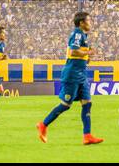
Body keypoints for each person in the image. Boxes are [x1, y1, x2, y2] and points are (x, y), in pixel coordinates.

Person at [37, 11, 103, 145]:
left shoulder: (83, 35)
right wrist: (88, 52)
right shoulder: (78, 33)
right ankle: (43, 124)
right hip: (72, 74)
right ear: (81, 23)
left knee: (87, 103)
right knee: (66, 105)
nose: (90, 23)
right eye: (88, 21)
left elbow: (78, 54)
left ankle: (87, 135)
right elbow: (73, 51)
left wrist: (87, 57)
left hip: (81, 74)